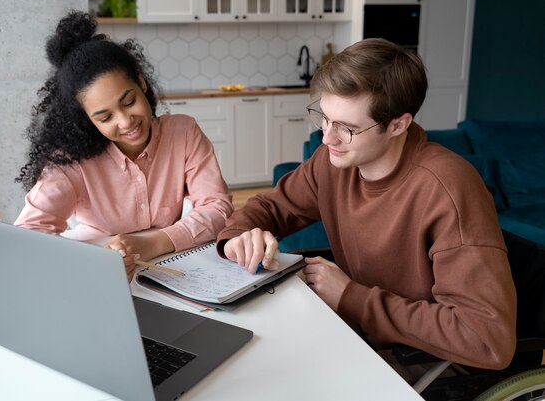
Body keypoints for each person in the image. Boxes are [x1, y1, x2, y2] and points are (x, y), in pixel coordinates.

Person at [216, 38, 517, 370]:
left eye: (348, 128)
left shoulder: (449, 189)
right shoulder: (330, 162)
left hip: (420, 364)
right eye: (325, 118)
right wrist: (239, 237)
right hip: (356, 338)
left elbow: (487, 339)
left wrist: (351, 297)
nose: (328, 138)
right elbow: (269, 208)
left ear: (398, 125)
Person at [15, 11, 233, 279]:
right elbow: (27, 235)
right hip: (100, 276)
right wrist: (94, 261)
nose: (126, 122)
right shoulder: (72, 161)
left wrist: (151, 244)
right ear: (87, 119)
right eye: (105, 117)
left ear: (141, 82)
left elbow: (218, 209)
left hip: (173, 266)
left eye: (129, 102)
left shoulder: (183, 132)